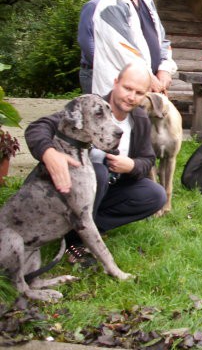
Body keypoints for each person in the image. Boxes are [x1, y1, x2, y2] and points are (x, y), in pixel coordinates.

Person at [25, 62, 167, 262]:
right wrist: (49, 154)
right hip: (64, 188)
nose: (131, 96)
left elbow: (148, 159)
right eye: (127, 88)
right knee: (98, 171)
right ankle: (75, 241)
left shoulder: (140, 119)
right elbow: (38, 127)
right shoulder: (90, 106)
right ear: (116, 82)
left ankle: (78, 228)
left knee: (155, 195)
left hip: (106, 188)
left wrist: (132, 166)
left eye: (139, 92)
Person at [92, 0, 177, 96]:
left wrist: (165, 69)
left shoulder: (146, 0)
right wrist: (150, 79)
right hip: (119, 93)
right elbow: (124, 51)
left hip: (146, 90)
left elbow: (162, 40)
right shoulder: (110, 6)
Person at [78, 0, 115, 93]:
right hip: (92, 72)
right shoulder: (93, 6)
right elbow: (85, 39)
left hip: (107, 72)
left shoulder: (114, 8)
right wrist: (101, 63)